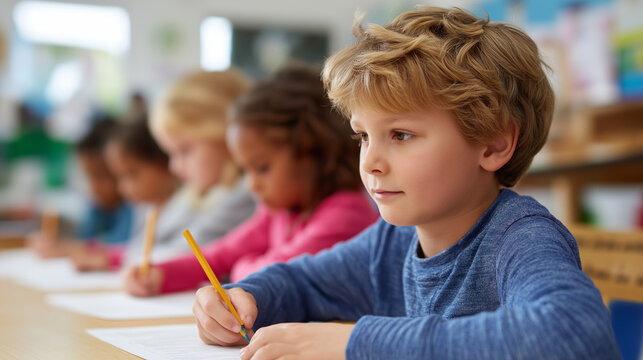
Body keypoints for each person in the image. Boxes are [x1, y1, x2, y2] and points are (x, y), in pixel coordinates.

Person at [191, 6, 621, 360]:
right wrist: (242, 298)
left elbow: (574, 334)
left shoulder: (520, 238)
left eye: (400, 135)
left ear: (492, 144)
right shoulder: (391, 243)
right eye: (363, 136)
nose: (371, 163)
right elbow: (303, 282)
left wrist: (357, 342)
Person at [122, 64, 379, 296]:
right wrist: (161, 274)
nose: (250, 185)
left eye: (262, 168)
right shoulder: (279, 212)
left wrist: (240, 265)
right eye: (245, 170)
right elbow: (221, 254)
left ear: (311, 153)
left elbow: (271, 275)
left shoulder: (346, 213)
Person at [145, 69, 255, 249]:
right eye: (170, 154)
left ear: (228, 137)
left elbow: (182, 254)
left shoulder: (246, 194)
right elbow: (150, 244)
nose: (174, 167)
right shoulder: (197, 194)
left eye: (185, 150)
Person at [70, 118, 180, 271]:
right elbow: (136, 248)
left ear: (163, 162)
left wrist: (107, 258)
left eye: (132, 175)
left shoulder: (187, 207)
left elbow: (177, 253)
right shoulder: (144, 208)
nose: (121, 188)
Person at [26, 118, 133, 258]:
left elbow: (126, 248)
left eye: (102, 176)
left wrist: (71, 248)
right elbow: (83, 240)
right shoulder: (96, 207)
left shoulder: (134, 206)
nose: (94, 187)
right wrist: (58, 245)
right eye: (88, 177)